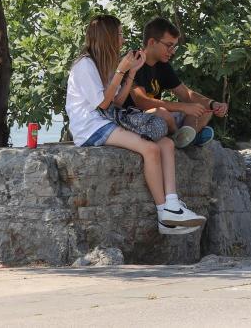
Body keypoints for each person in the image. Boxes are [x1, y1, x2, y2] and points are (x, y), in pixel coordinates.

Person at [65, 15, 207, 235]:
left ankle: (172, 205)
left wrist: (131, 72)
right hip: (91, 127)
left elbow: (118, 101)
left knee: (166, 144)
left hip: (109, 118)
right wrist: (121, 70)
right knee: (150, 149)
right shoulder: (85, 65)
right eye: (119, 34)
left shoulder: (106, 64)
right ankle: (164, 214)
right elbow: (102, 103)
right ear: (107, 37)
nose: (122, 40)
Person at [126, 17, 228, 148]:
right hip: (135, 117)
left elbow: (186, 94)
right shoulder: (134, 60)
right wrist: (182, 107)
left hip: (160, 119)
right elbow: (142, 102)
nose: (173, 51)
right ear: (152, 42)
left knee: (204, 110)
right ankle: (184, 137)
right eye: (169, 45)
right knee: (162, 113)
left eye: (174, 46)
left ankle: (185, 137)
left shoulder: (163, 64)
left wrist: (213, 104)